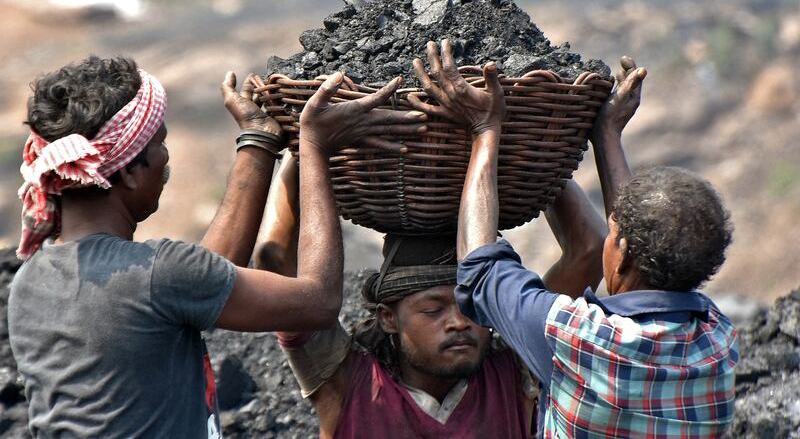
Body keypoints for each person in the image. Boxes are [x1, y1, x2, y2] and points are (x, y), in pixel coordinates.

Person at [8, 56, 425, 438]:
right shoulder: (158, 274)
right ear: (131, 173)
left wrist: (258, 142)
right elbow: (317, 301)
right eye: (160, 146)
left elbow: (205, 278)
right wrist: (314, 147)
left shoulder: (31, 283)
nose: (166, 161)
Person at [415, 39, 739, 437]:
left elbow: (480, 268)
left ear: (621, 256)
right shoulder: (717, 342)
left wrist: (485, 128)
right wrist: (607, 134)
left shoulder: (579, 340)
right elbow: (635, 236)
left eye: (614, 234)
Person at [254, 105, 607, 436]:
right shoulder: (346, 382)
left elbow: (590, 250)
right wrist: (301, 147)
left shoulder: (517, 371)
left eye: (474, 308)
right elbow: (274, 260)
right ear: (388, 318)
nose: (459, 322)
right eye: (434, 309)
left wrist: (537, 144)